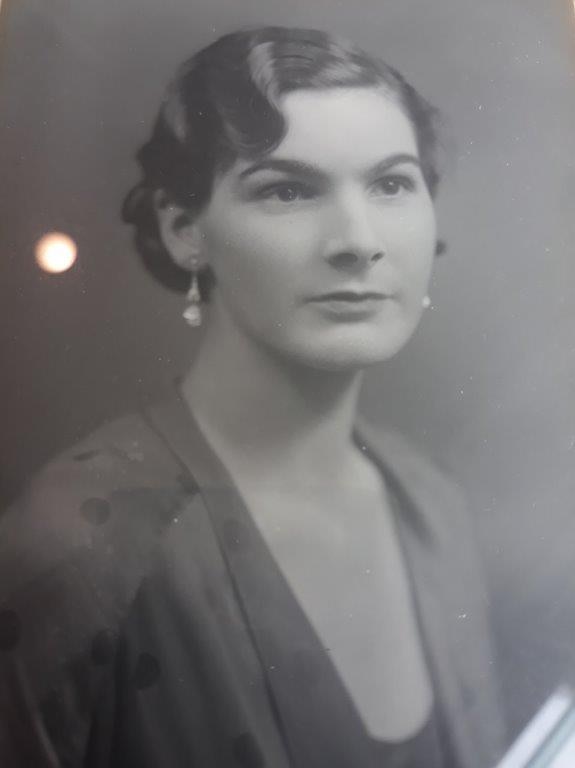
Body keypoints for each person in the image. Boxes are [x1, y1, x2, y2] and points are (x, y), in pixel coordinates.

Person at [0, 26, 506, 768]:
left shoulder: (432, 504)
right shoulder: (73, 545)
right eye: (288, 189)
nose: (357, 239)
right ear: (183, 230)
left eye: (392, 183)